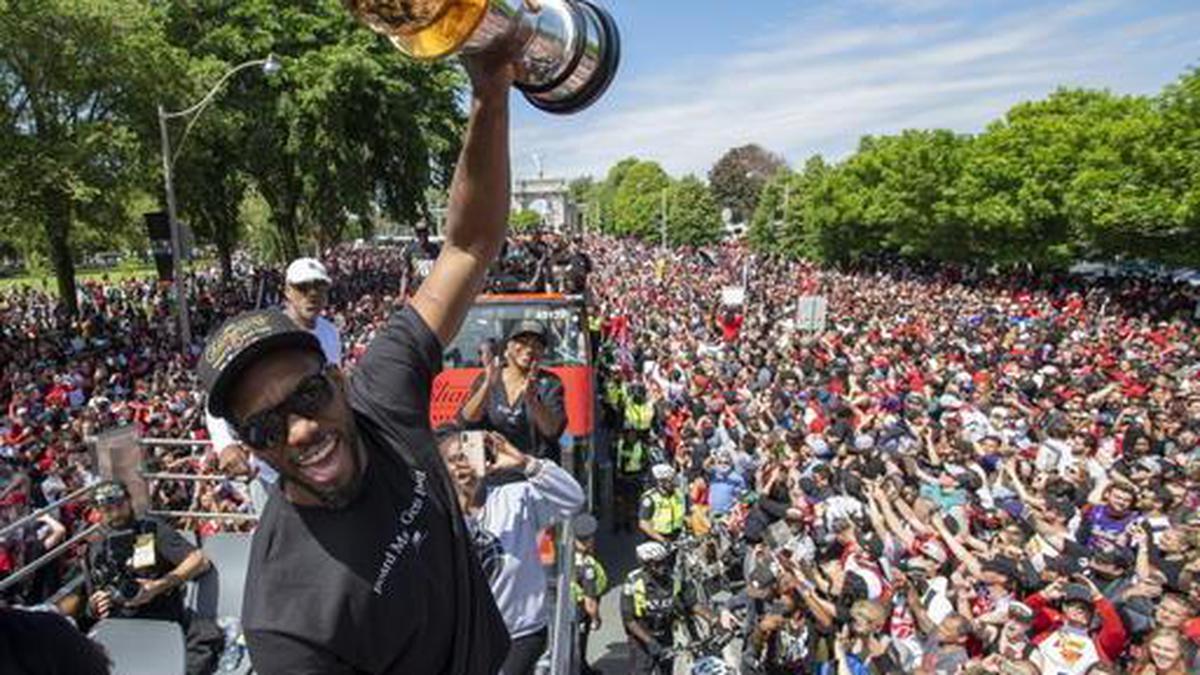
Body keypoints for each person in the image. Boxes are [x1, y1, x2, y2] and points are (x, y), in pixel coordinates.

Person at [197, 49, 515, 674]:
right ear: (251, 450)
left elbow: (468, 246)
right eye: (265, 428)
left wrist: (490, 95)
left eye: (307, 396)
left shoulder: (385, 394)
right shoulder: (284, 621)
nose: (300, 431)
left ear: (339, 379)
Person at [437, 428, 584, 675]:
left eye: (470, 454)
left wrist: (525, 464)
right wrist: (464, 504)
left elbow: (573, 500)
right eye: (454, 459)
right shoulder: (433, 513)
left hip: (519, 634)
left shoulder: (515, 499)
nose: (464, 465)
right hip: (464, 638)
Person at [205, 256, 343, 511]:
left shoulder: (330, 332)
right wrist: (225, 445)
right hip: (271, 472)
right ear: (287, 291)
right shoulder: (259, 332)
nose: (312, 294)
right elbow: (215, 403)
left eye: (319, 287)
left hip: (318, 460)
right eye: (303, 287)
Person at [85, 481, 221, 675]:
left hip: (161, 614)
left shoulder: (150, 528)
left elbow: (199, 560)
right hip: (122, 624)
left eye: (120, 506)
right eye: (108, 509)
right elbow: (94, 597)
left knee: (204, 638)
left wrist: (158, 586)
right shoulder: (96, 548)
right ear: (97, 511)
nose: (116, 514)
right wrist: (95, 605)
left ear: (129, 502)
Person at [460, 320, 567, 463]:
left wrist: (533, 401)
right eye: (522, 342)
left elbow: (552, 431)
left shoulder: (551, 383)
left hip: (536, 474)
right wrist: (487, 386)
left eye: (537, 345)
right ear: (508, 346)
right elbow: (467, 420)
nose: (529, 349)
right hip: (495, 473)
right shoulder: (488, 377)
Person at [621, 541, 711, 675]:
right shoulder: (633, 582)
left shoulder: (674, 578)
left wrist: (713, 618)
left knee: (666, 671)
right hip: (642, 639)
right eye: (657, 563)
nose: (662, 566)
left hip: (665, 635)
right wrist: (649, 641)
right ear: (646, 565)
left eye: (664, 561)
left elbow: (692, 604)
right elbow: (629, 620)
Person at [571, 513, 607, 675]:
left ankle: (582, 667)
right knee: (580, 644)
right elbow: (590, 602)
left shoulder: (567, 556)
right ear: (589, 540)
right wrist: (595, 618)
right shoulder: (587, 567)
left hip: (568, 608)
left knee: (572, 645)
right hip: (580, 611)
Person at [639, 463, 687, 543]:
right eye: (671, 480)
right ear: (662, 482)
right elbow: (644, 524)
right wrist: (663, 540)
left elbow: (685, 514)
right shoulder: (650, 498)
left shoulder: (678, 494)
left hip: (676, 536)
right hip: (656, 539)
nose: (675, 482)